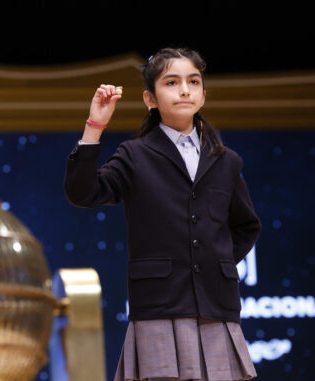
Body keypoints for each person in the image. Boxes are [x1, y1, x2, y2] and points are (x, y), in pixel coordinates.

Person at [64, 48, 260, 381]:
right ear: (150, 99)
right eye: (172, 82)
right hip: (159, 305)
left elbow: (246, 226)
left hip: (216, 306)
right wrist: (95, 126)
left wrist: (218, 262)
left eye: (193, 81)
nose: (185, 89)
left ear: (203, 94)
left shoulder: (227, 161)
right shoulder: (135, 155)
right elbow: (84, 193)